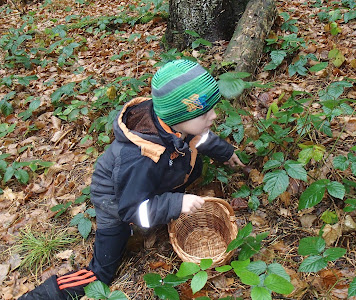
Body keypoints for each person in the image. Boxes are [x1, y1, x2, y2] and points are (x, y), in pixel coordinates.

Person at [19, 59, 244, 300]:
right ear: (179, 116)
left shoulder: (179, 124)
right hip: (117, 201)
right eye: (204, 113)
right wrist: (175, 204)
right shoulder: (138, 158)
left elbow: (201, 137)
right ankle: (40, 296)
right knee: (101, 273)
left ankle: (162, 200)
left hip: (151, 181)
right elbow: (132, 210)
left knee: (192, 165)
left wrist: (225, 152)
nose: (214, 115)